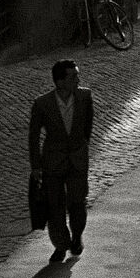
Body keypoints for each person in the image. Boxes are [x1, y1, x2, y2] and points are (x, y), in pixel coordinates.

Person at [29, 60, 93, 262]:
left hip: (77, 159)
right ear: (60, 82)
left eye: (77, 75)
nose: (77, 80)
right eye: (73, 76)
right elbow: (33, 135)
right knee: (55, 206)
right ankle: (61, 245)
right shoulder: (42, 103)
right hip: (53, 162)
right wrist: (36, 166)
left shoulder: (84, 96)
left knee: (77, 203)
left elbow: (87, 127)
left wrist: (81, 146)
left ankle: (76, 236)